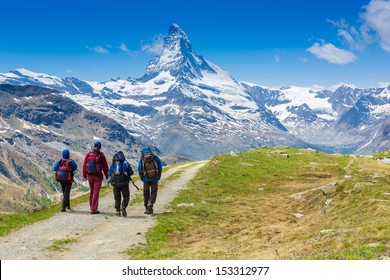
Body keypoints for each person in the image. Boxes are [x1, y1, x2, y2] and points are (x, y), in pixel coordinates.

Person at [82, 141, 109, 214]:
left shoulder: (89, 154)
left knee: (92, 190)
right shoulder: (101, 155)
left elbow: (84, 165)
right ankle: (93, 208)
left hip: (90, 175)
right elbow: (105, 166)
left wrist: (84, 175)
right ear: (100, 147)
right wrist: (107, 175)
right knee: (96, 192)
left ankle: (91, 206)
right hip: (98, 176)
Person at [137, 146, 162, 214]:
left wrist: (142, 177)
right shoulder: (155, 158)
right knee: (154, 192)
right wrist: (158, 176)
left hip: (146, 179)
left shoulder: (142, 159)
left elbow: (139, 169)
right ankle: (150, 203)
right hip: (155, 179)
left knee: (146, 193)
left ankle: (146, 207)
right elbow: (160, 167)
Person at [108, 151, 134, 217]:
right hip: (124, 183)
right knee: (126, 196)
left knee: (117, 197)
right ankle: (123, 206)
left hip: (115, 183)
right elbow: (131, 172)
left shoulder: (113, 163)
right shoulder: (125, 162)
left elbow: (109, 173)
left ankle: (117, 211)